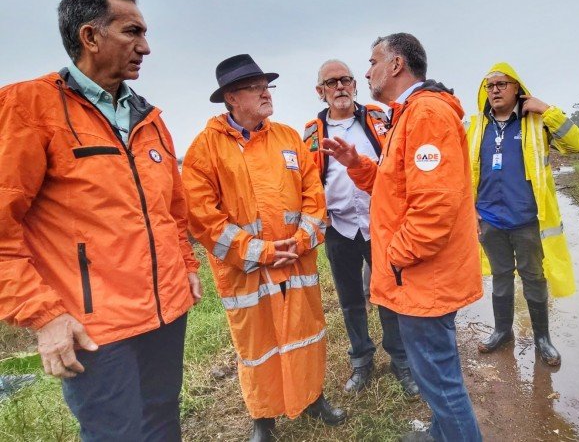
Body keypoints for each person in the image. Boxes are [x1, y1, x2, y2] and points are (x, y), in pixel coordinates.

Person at [0, 0, 201, 441]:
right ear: (90, 36)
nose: (146, 47)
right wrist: (44, 316)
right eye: (133, 32)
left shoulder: (149, 118)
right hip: (95, 328)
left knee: (164, 422)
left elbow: (172, 211)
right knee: (117, 433)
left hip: (167, 313)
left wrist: (186, 267)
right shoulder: (28, 107)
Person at [322, 33, 483, 442]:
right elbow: (395, 187)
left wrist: (394, 256)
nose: (367, 70)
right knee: (434, 376)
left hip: (422, 278)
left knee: (442, 383)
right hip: (417, 277)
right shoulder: (408, 113)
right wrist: (357, 164)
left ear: (396, 65)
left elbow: (435, 207)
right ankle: (438, 435)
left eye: (373, 61)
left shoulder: (426, 114)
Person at [182, 54, 345, 442]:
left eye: (266, 86)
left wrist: (302, 240)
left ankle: (312, 399)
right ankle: (263, 419)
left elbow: (314, 195)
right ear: (231, 98)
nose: (265, 94)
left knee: (306, 333)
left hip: (297, 263)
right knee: (257, 346)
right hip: (246, 273)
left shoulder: (289, 137)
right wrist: (262, 252)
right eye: (255, 88)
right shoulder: (205, 149)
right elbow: (204, 219)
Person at [303, 59, 418, 396]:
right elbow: (308, 180)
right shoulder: (313, 131)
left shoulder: (379, 118)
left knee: (388, 295)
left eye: (346, 80)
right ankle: (361, 360)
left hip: (379, 224)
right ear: (320, 92)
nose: (340, 87)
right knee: (350, 298)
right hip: (339, 226)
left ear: (355, 85)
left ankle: (400, 360)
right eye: (331, 82)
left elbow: (398, 163)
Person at [466, 63, 579, 365]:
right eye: (490, 85)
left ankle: (543, 339)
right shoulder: (477, 126)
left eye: (502, 84)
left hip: (527, 219)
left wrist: (546, 109)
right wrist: (470, 211)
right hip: (490, 219)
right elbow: (466, 171)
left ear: (517, 88)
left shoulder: (535, 123)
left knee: (533, 277)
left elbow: (576, 144)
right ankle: (503, 331)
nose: (495, 90)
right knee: (501, 277)